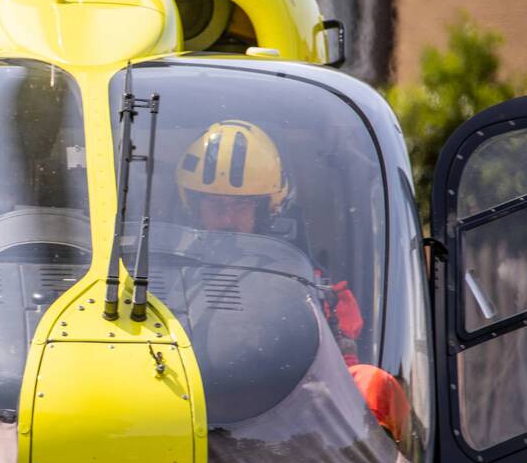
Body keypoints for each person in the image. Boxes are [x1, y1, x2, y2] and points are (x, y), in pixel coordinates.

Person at [175, 119, 409, 442]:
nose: (228, 219)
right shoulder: (163, 270)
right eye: (215, 205)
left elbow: (340, 371)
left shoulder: (310, 283)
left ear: (266, 209)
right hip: (181, 410)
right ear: (194, 206)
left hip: (288, 423)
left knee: (373, 384)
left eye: (241, 205)